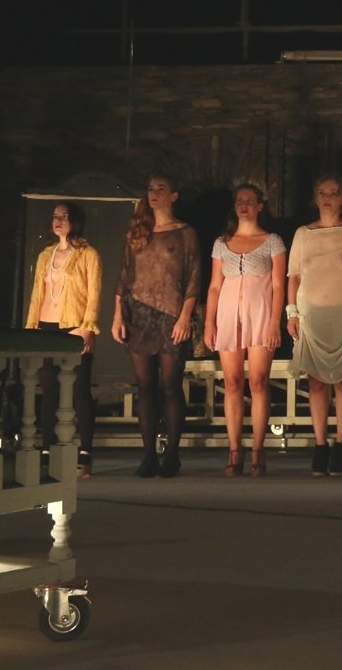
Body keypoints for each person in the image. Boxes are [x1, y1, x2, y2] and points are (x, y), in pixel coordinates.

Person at [111, 174, 201, 478]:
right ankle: (148, 454)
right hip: (138, 314)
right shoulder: (138, 231)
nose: (154, 193)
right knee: (145, 386)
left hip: (171, 315)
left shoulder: (186, 233)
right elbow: (124, 276)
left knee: (170, 384)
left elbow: (194, 278)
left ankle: (172, 453)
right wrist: (118, 315)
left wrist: (185, 316)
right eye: (151, 189)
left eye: (161, 188)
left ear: (173, 195)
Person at [287, 174, 342, 477]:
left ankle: (341, 443)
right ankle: (320, 444)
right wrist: (291, 313)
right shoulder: (303, 234)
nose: (327, 198)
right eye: (322, 192)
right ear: (315, 197)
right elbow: (294, 276)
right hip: (312, 315)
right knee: (316, 381)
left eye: (333, 193)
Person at [203, 184, 286, 477]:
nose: (245, 205)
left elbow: (279, 285)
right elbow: (214, 286)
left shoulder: (272, 241)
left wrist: (275, 321)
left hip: (260, 314)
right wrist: (209, 322)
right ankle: (235, 448)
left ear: (260, 205)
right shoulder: (222, 243)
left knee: (259, 381)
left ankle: (258, 449)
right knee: (233, 382)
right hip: (229, 315)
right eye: (240, 200)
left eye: (250, 200)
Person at [23, 201, 101, 479]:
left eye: (64, 217)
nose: (58, 221)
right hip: (47, 325)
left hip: (74, 325)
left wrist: (87, 327)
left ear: (75, 221)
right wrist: (32, 327)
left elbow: (94, 293)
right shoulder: (46, 254)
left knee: (80, 388)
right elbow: (37, 293)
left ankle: (85, 454)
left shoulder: (89, 254)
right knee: (48, 388)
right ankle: (46, 450)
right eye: (55, 216)